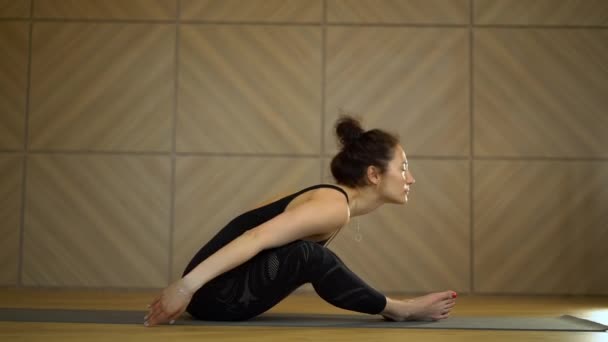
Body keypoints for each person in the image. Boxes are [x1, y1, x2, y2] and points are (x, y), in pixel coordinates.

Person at [144, 115, 457, 327]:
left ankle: (397, 308)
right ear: (374, 174)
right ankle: (398, 309)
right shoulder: (333, 205)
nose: (411, 178)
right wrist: (185, 288)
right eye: (403, 168)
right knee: (310, 256)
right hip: (217, 297)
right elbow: (253, 236)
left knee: (306, 255)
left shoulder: (335, 202)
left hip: (220, 295)